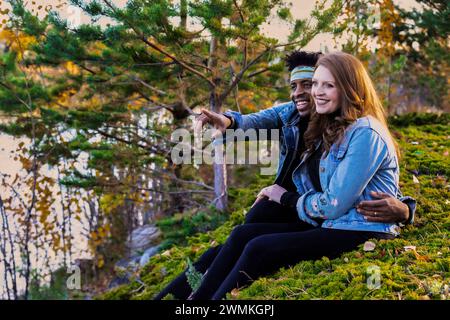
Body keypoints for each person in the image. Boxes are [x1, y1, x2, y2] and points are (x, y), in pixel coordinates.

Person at [154, 51, 416, 300]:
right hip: (325, 216)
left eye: (323, 85)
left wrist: (405, 209)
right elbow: (255, 120)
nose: (310, 92)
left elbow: (357, 188)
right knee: (242, 235)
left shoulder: (360, 130)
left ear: (348, 88)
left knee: (256, 246)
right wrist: (228, 121)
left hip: (345, 222)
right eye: (311, 85)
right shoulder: (322, 122)